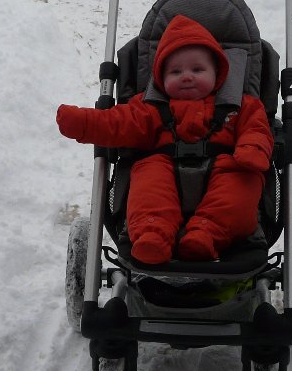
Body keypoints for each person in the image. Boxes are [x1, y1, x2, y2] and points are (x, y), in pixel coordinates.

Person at [57, 15, 274, 265]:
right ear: (160, 78)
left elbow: (257, 128)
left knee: (243, 180)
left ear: (218, 73)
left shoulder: (240, 105)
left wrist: (252, 149)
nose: (186, 76)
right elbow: (116, 122)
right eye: (175, 71)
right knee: (149, 175)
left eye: (197, 69)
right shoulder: (150, 108)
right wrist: (82, 122)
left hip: (225, 170)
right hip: (164, 169)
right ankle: (152, 235)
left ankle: (208, 235)